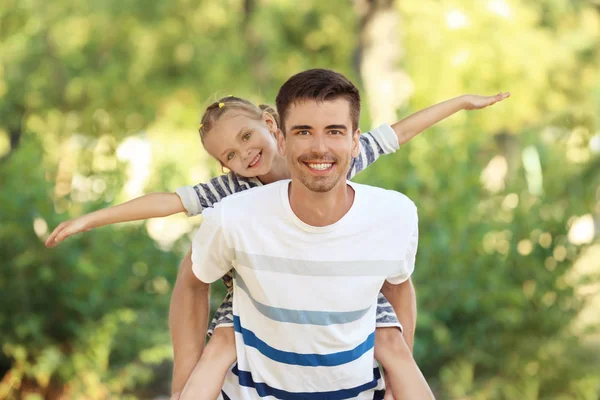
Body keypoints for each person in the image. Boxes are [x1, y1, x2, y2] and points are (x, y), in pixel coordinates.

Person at [45, 79, 509, 399]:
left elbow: (401, 131)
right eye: (230, 154)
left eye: (247, 137)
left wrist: (460, 103)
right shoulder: (233, 193)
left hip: (337, 280)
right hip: (255, 291)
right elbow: (165, 201)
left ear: (272, 125)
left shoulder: (329, 155)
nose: (245, 154)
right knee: (221, 349)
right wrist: (93, 218)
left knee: (390, 343)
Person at [187, 68, 434, 399]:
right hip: (249, 382)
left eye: (334, 131)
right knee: (222, 341)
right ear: (283, 139)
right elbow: (191, 278)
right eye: (304, 132)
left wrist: (395, 383)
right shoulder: (233, 213)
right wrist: (180, 384)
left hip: (361, 388)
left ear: (355, 141)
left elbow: (399, 288)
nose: (320, 147)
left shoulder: (395, 215)